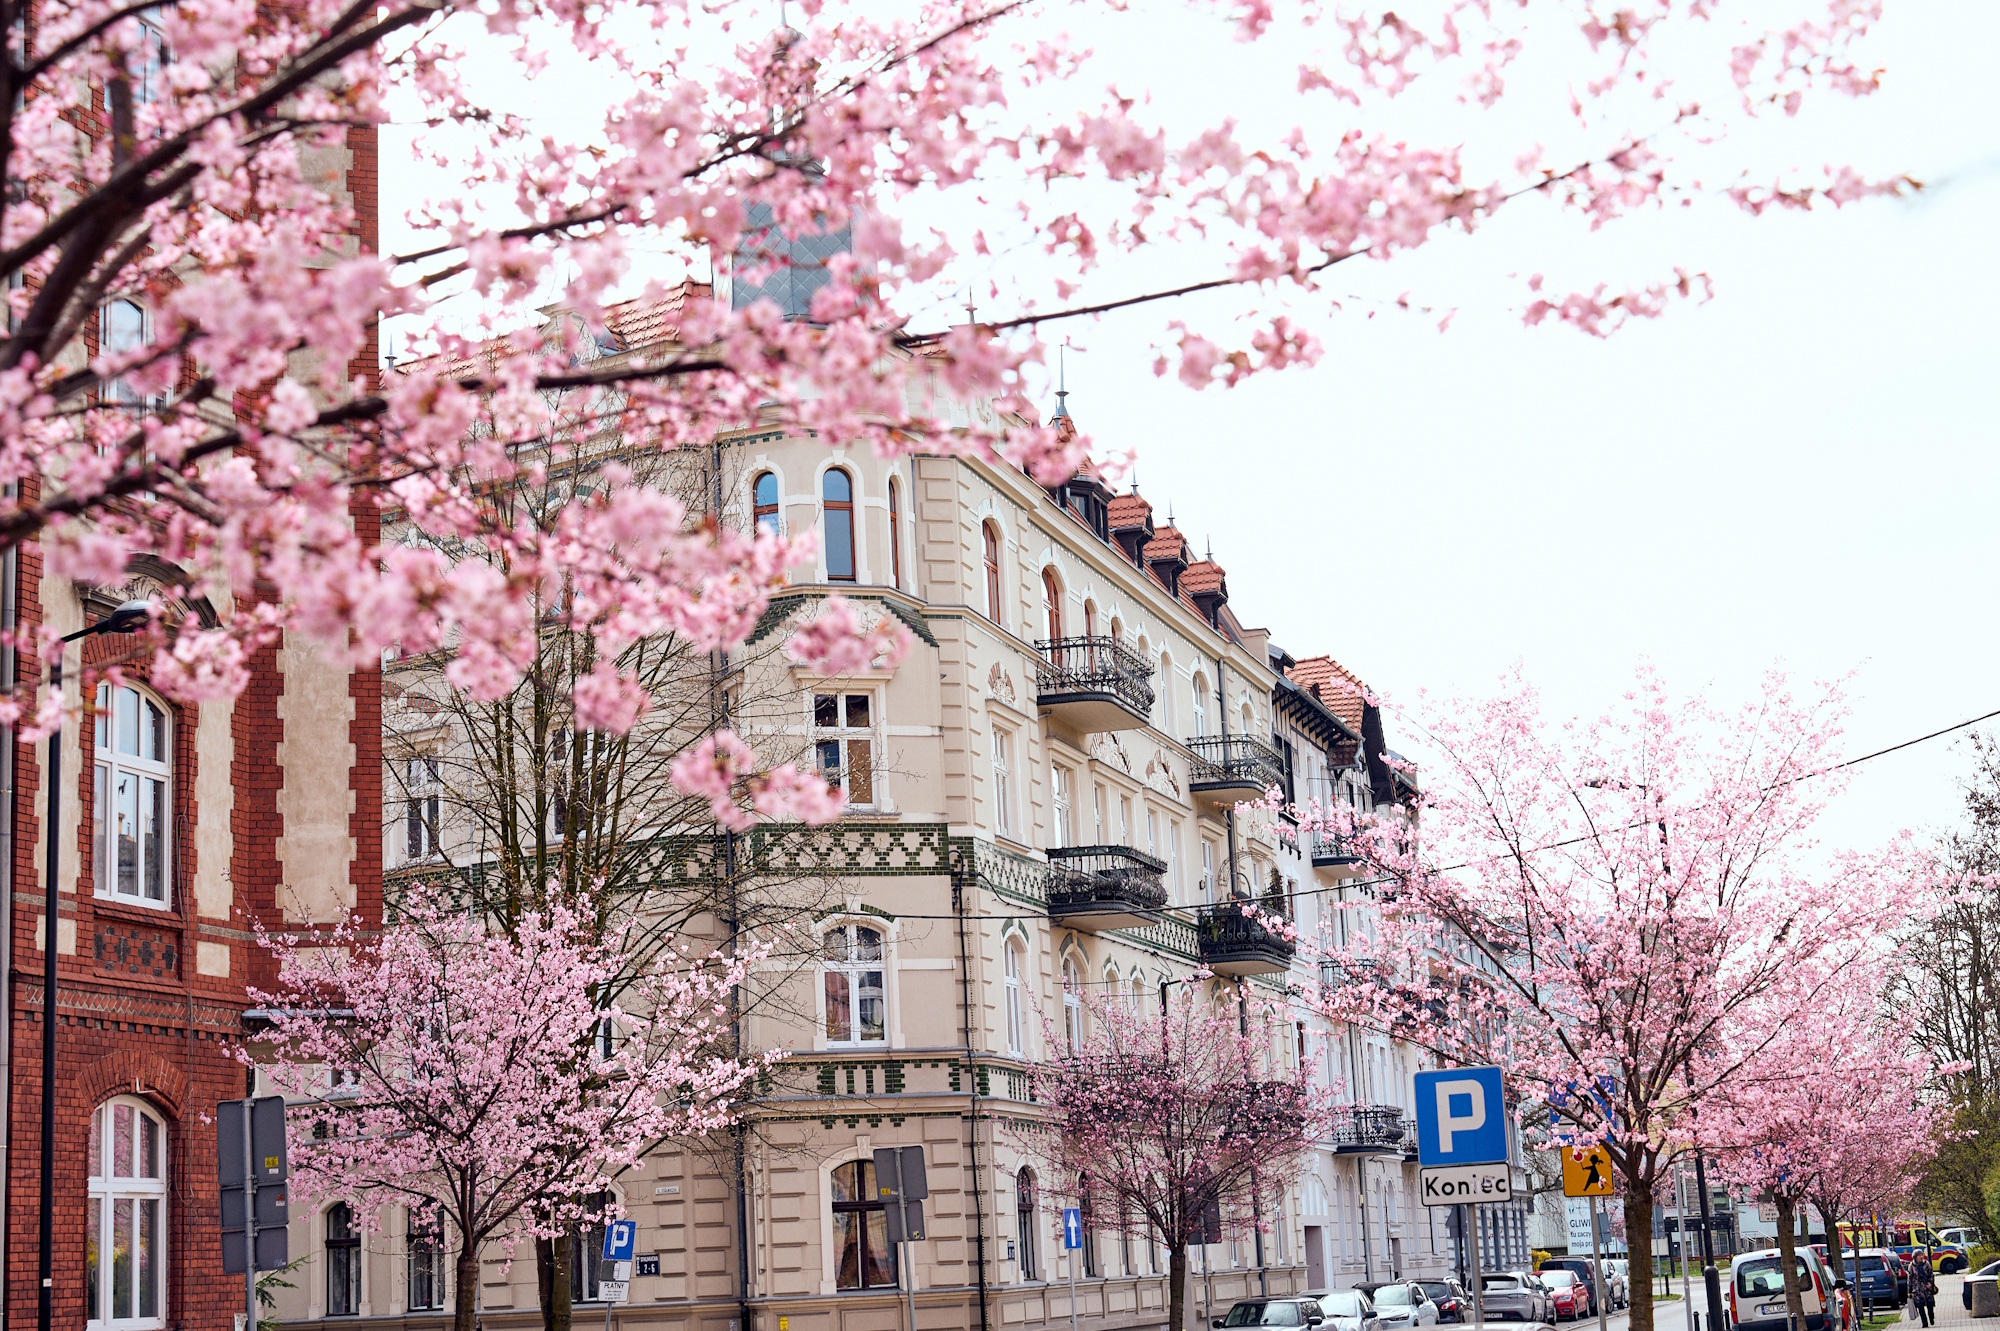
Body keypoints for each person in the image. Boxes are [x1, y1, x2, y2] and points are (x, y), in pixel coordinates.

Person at [1909, 1251, 1938, 1328]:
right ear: (1915, 1257)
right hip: (1917, 1290)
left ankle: (1931, 1318)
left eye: (1922, 1255)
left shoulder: (1926, 1264)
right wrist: (1910, 1291)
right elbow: (1910, 1279)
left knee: (1930, 1305)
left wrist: (1931, 1283)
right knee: (1920, 1306)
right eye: (1919, 1256)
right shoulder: (1912, 1266)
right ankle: (1924, 1323)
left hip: (1927, 1288)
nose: (1921, 1257)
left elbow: (1931, 1275)